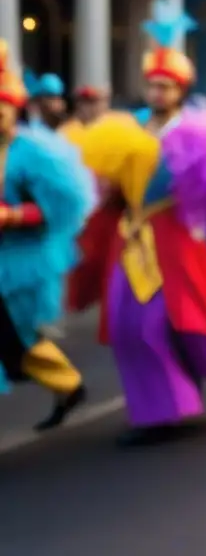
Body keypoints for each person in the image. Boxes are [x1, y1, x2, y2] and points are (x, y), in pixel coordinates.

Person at [66, 1, 206, 446]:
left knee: (187, 319)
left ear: (180, 89)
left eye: (165, 86)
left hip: (175, 239)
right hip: (130, 238)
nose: (156, 93)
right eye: (151, 85)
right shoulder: (126, 129)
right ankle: (160, 410)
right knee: (126, 325)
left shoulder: (194, 134)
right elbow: (111, 189)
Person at [0, 41, 93, 430]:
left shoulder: (34, 151)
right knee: (12, 340)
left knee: (16, 335)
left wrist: (14, 215)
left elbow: (65, 205)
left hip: (25, 261)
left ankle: (68, 384)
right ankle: (67, 385)